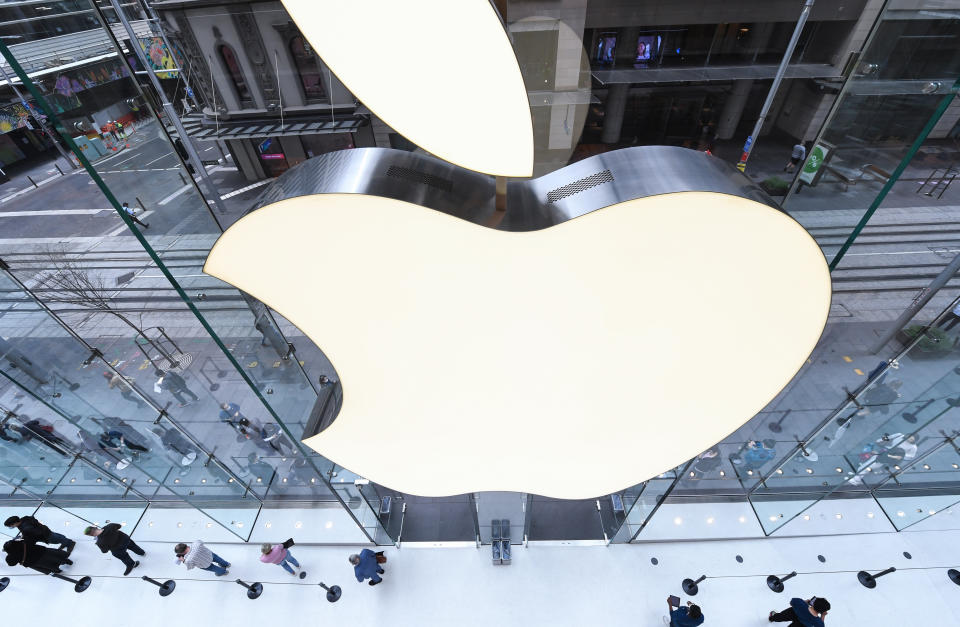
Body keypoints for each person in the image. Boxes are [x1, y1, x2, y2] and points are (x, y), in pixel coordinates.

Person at [4, 515, 76, 554]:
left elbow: (36, 534)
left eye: (11, 525)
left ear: (15, 523)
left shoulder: (26, 528)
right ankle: (65, 541)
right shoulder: (24, 519)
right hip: (45, 530)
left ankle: (70, 543)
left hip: (45, 535)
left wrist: (25, 537)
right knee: (56, 536)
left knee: (56, 539)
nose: (11, 527)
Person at [3, 539, 73, 574]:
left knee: (48, 566)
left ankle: (58, 571)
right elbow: (32, 541)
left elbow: (11, 563)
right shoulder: (21, 542)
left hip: (34, 562)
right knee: (55, 557)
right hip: (41, 551)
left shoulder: (11, 555)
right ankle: (67, 561)